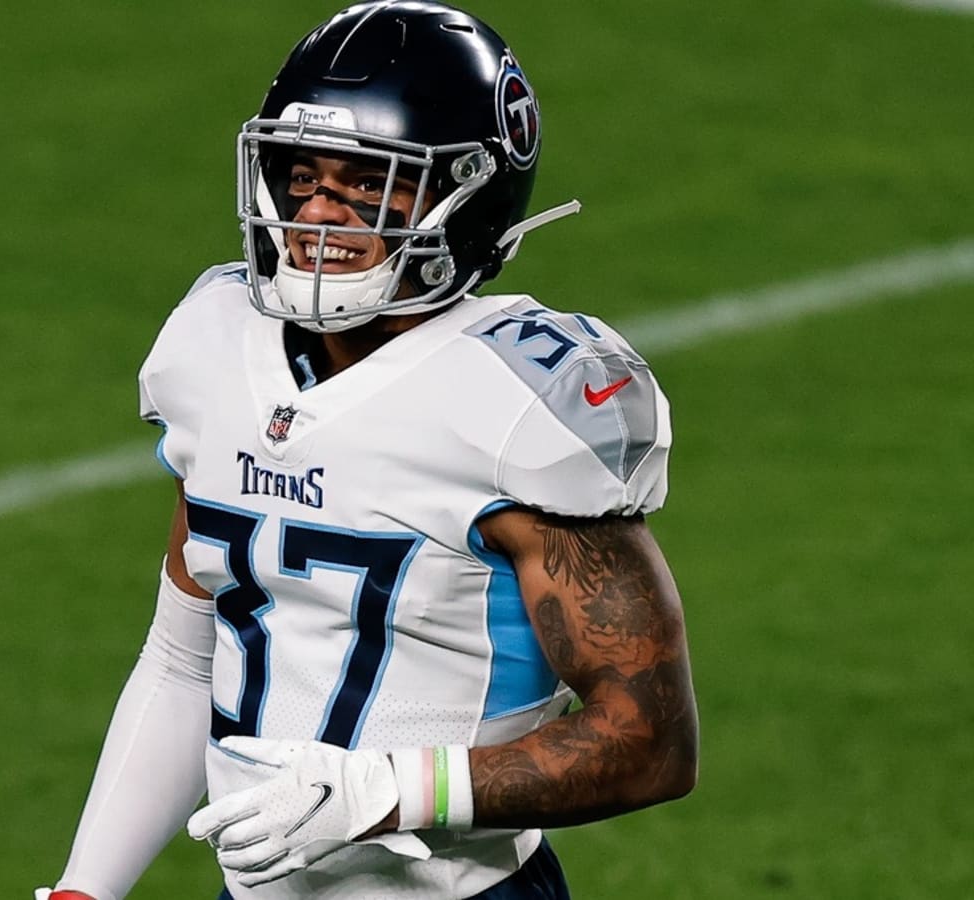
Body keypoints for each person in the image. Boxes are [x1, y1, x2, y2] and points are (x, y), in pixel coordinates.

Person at [38, 2, 698, 898]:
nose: (316, 213)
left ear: (468, 194)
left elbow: (648, 739)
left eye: (366, 184)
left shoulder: (517, 402)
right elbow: (184, 656)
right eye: (299, 176)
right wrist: (85, 888)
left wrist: (383, 793)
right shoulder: (214, 348)